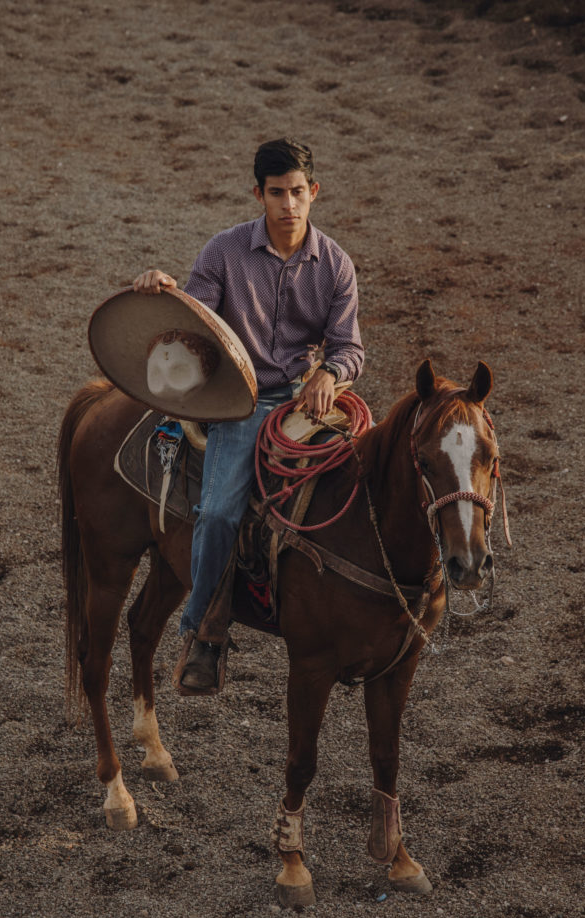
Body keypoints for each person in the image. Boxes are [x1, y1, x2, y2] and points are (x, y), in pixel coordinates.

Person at [133, 137, 363, 692]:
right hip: (240, 401)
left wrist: (330, 376)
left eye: (299, 193)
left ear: (315, 193)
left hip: (305, 401)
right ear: (258, 194)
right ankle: (203, 635)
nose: (289, 204)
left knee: (370, 483)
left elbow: (349, 348)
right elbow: (196, 324)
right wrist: (164, 292)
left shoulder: (335, 265)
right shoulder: (224, 251)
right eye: (278, 193)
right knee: (216, 514)